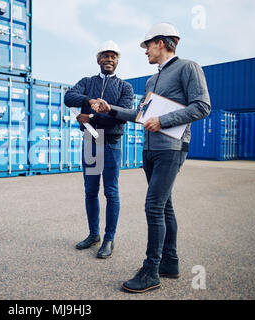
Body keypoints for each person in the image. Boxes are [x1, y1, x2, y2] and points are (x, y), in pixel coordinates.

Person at [92, 23, 211, 292]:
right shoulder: (151, 80)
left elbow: (202, 106)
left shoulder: (188, 67)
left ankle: (151, 271)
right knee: (165, 206)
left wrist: (163, 120)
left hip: (171, 148)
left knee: (154, 207)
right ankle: (170, 262)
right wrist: (111, 109)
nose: (145, 51)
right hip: (150, 149)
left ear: (161, 42)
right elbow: (140, 115)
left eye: (147, 46)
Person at [64, 40, 134, 259]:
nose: (109, 59)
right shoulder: (87, 82)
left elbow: (122, 115)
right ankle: (93, 234)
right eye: (105, 55)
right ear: (98, 59)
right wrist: (90, 100)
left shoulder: (125, 87)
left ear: (118, 61)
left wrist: (92, 116)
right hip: (91, 142)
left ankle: (109, 238)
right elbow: (68, 97)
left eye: (113, 56)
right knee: (90, 191)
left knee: (111, 192)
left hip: (111, 143)